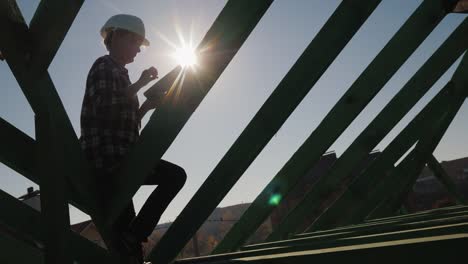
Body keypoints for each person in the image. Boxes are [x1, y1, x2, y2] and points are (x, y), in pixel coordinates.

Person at [79, 14, 187, 263]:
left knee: (128, 247)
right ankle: (134, 235)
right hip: (109, 161)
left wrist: (146, 106)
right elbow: (107, 108)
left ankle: (134, 237)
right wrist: (140, 83)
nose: (139, 50)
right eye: (135, 42)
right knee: (174, 176)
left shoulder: (120, 74)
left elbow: (124, 119)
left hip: (121, 157)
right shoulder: (103, 66)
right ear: (117, 37)